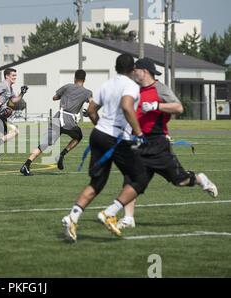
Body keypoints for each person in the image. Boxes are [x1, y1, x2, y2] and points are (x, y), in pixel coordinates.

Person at [116, 57, 218, 229]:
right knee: (131, 181)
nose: (133, 73)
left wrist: (156, 106)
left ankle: (200, 179)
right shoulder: (133, 89)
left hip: (157, 144)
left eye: (135, 70)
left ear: (144, 71)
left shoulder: (160, 88)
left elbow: (179, 108)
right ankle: (128, 218)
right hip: (138, 142)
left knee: (180, 181)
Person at [61, 54, 149, 242]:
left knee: (97, 183)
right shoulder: (131, 85)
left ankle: (72, 217)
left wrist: (101, 127)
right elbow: (127, 106)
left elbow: (92, 110)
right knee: (140, 178)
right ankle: (110, 213)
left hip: (99, 134)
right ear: (132, 69)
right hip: (117, 138)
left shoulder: (106, 84)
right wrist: (139, 133)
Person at [20, 69, 92, 176]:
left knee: (44, 143)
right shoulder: (87, 92)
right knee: (78, 136)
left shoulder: (67, 86)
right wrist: (88, 113)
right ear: (84, 80)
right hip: (69, 121)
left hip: (58, 118)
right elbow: (92, 103)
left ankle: (26, 164)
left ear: (74, 78)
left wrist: (63, 96)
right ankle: (62, 154)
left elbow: (54, 98)